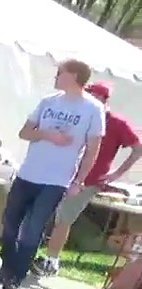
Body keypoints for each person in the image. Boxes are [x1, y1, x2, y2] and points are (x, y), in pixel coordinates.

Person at [0, 59, 104, 289]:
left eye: (60, 73)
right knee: (10, 221)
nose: (56, 77)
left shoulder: (93, 109)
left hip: (56, 179)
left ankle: (15, 276)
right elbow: (24, 132)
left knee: (33, 227)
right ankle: (7, 263)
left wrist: (79, 181)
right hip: (28, 173)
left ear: (74, 76)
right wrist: (47, 134)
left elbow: (92, 149)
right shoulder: (48, 102)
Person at [34, 80, 142, 277]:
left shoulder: (117, 123)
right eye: (89, 94)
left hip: (89, 180)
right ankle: (30, 253)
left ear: (105, 100)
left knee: (64, 218)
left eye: (96, 96)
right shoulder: (79, 113)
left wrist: (116, 174)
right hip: (60, 172)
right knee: (42, 212)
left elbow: (138, 148)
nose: (91, 99)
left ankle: (51, 261)